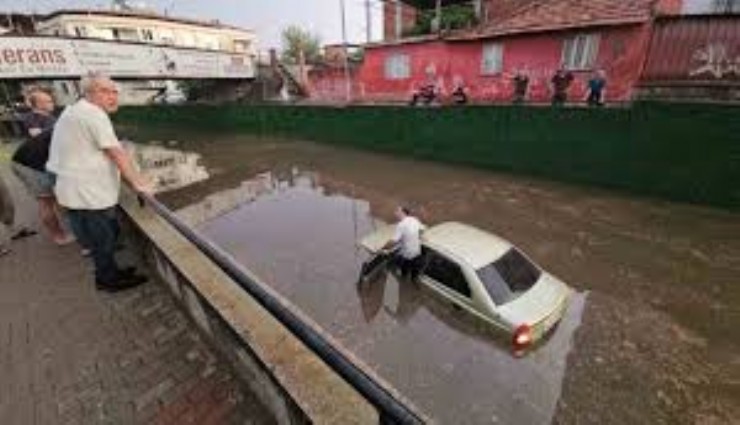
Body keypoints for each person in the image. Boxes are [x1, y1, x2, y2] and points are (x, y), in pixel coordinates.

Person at [47, 73, 153, 292]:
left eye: (115, 91)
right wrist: (139, 183)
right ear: (88, 93)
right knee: (103, 240)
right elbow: (116, 152)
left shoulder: (74, 110)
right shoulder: (94, 115)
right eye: (105, 91)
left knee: (97, 239)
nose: (113, 96)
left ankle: (108, 272)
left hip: (75, 190)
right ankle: (108, 280)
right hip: (89, 193)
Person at [11, 87, 75, 246]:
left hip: (41, 162)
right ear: (36, 104)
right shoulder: (33, 117)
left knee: (57, 197)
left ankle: (71, 228)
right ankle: (58, 236)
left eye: (51, 100)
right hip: (30, 164)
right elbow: (38, 136)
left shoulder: (51, 117)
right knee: (46, 201)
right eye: (47, 101)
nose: (52, 103)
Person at [382, 206, 426, 280]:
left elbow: (393, 241)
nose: (395, 213)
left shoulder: (401, 225)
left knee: (404, 268)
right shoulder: (414, 219)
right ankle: (413, 279)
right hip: (417, 252)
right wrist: (416, 237)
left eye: (397, 211)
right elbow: (422, 230)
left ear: (403, 213)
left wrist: (383, 247)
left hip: (407, 254)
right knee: (414, 269)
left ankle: (403, 278)